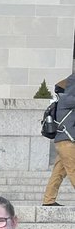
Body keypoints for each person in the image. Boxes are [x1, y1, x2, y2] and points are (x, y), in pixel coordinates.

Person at [41, 73, 75, 206]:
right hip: (67, 143)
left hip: (65, 142)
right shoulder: (67, 99)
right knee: (73, 171)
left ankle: (48, 200)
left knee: (58, 173)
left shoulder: (65, 99)